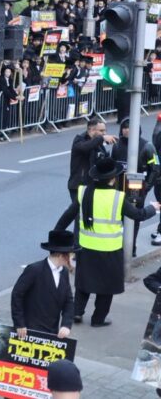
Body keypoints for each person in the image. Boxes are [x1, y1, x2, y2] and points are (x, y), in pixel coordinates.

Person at [55, 157, 159, 326]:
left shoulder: (84, 192)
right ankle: (98, 319)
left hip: (86, 247)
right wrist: (153, 208)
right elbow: (138, 215)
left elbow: (67, 215)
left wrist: (56, 232)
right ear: (112, 178)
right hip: (110, 249)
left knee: (83, 283)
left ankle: (76, 313)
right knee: (107, 287)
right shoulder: (117, 197)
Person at [11, 230, 76, 338]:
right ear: (62, 256)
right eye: (72, 255)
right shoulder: (34, 270)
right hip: (29, 330)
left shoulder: (63, 272)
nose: (74, 259)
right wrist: (19, 323)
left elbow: (68, 300)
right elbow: (17, 294)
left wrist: (66, 325)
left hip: (52, 332)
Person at [69, 118, 114, 203]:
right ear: (92, 130)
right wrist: (102, 138)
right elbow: (86, 147)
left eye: (105, 130)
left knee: (89, 213)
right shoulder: (79, 140)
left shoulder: (98, 144)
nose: (104, 133)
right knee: (79, 212)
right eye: (101, 131)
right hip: (79, 185)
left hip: (91, 185)